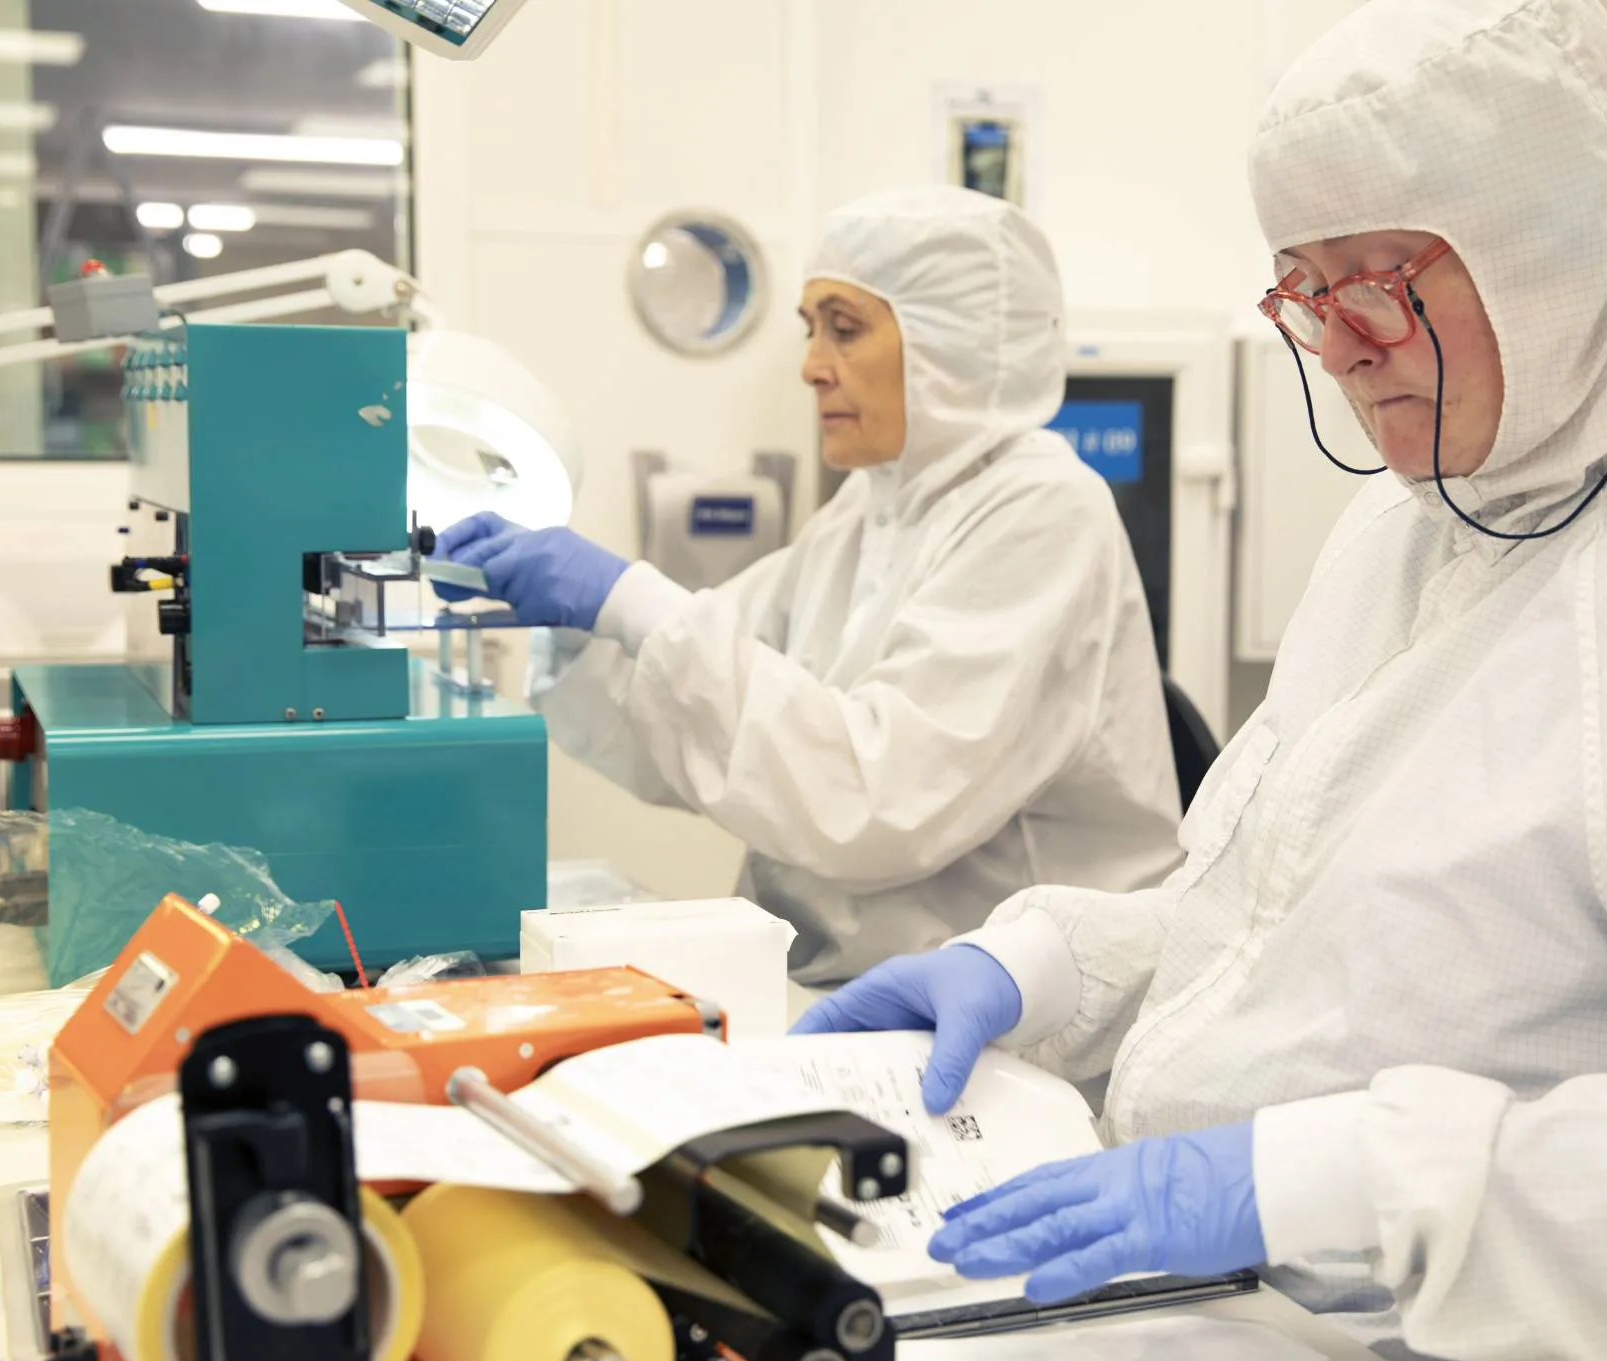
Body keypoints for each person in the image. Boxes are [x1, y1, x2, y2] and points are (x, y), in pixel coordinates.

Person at [796, 0, 1607, 1361]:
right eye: (1305, 284)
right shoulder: (1406, 527)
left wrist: (1335, 1180)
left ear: (1561, 247)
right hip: (1230, 1293)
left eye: (1386, 279)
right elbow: (1262, 903)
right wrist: (1039, 960)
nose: (1343, 344)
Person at [433, 186, 1182, 984]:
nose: (811, 367)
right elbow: (717, 714)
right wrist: (585, 624)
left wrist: (628, 598)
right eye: (810, 329)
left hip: (1004, 1004)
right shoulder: (874, 506)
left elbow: (876, 802)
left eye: (845, 329)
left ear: (953, 345)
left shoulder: (1042, 511)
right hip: (839, 978)